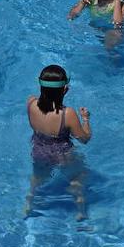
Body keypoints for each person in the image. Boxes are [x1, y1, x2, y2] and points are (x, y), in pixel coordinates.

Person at [23, 64, 92, 220]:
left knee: (37, 177)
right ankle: (81, 212)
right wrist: (86, 119)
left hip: (39, 150)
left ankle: (28, 203)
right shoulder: (67, 114)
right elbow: (85, 139)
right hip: (62, 154)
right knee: (78, 176)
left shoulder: (31, 103)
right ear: (65, 90)